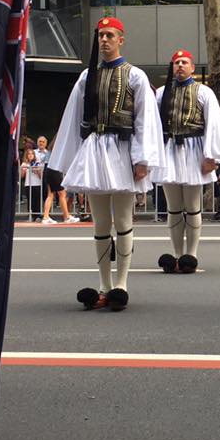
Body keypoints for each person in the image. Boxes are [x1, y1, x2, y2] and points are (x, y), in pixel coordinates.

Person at [49, 16, 164, 310]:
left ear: (121, 39)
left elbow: (144, 121)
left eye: (110, 35)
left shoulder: (135, 76)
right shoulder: (87, 76)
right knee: (100, 222)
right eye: (101, 35)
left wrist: (142, 159)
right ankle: (104, 284)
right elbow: (74, 119)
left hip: (123, 151)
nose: (104, 40)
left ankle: (122, 283)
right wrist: (65, 161)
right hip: (96, 151)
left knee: (124, 221)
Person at [151, 48, 220, 273]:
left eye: (184, 62)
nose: (180, 66)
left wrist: (211, 156)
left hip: (194, 150)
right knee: (174, 208)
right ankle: (176, 254)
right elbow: (152, 126)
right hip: (169, 150)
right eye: (176, 62)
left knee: (193, 207)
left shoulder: (204, 92)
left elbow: (214, 124)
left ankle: (191, 255)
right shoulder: (161, 93)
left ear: (192, 67)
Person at [19, 148, 43, 220]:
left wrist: (37, 170)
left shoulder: (37, 163)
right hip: (28, 184)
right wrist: (23, 170)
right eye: (29, 154)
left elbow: (41, 176)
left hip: (37, 184)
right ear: (26, 155)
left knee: (37, 200)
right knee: (30, 200)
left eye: (32, 154)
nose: (30, 155)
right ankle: (31, 215)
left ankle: (38, 215)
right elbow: (21, 176)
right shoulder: (24, 164)